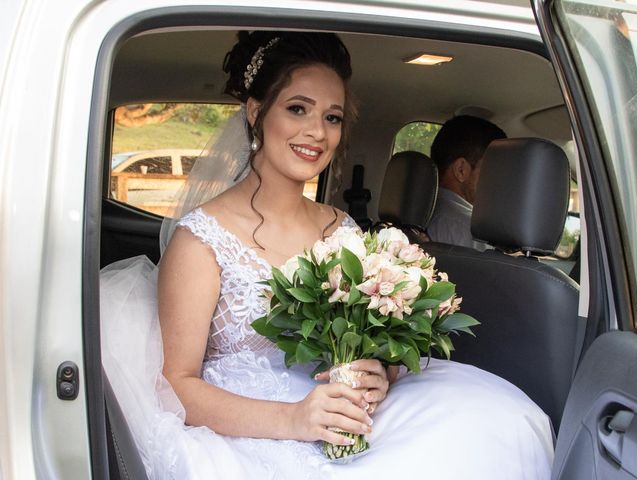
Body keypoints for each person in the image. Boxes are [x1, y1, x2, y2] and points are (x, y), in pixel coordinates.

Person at [100, 31, 554, 479]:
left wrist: (384, 371)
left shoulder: (344, 230)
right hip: (246, 430)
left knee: (496, 425)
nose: (317, 132)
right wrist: (293, 419)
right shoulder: (201, 240)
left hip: (348, 415)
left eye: (332, 118)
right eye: (298, 109)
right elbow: (176, 386)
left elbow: (370, 339)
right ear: (257, 112)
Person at [427, 115, 506, 250]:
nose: (500, 181)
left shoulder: (421, 215)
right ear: (461, 170)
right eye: (494, 170)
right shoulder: (473, 233)